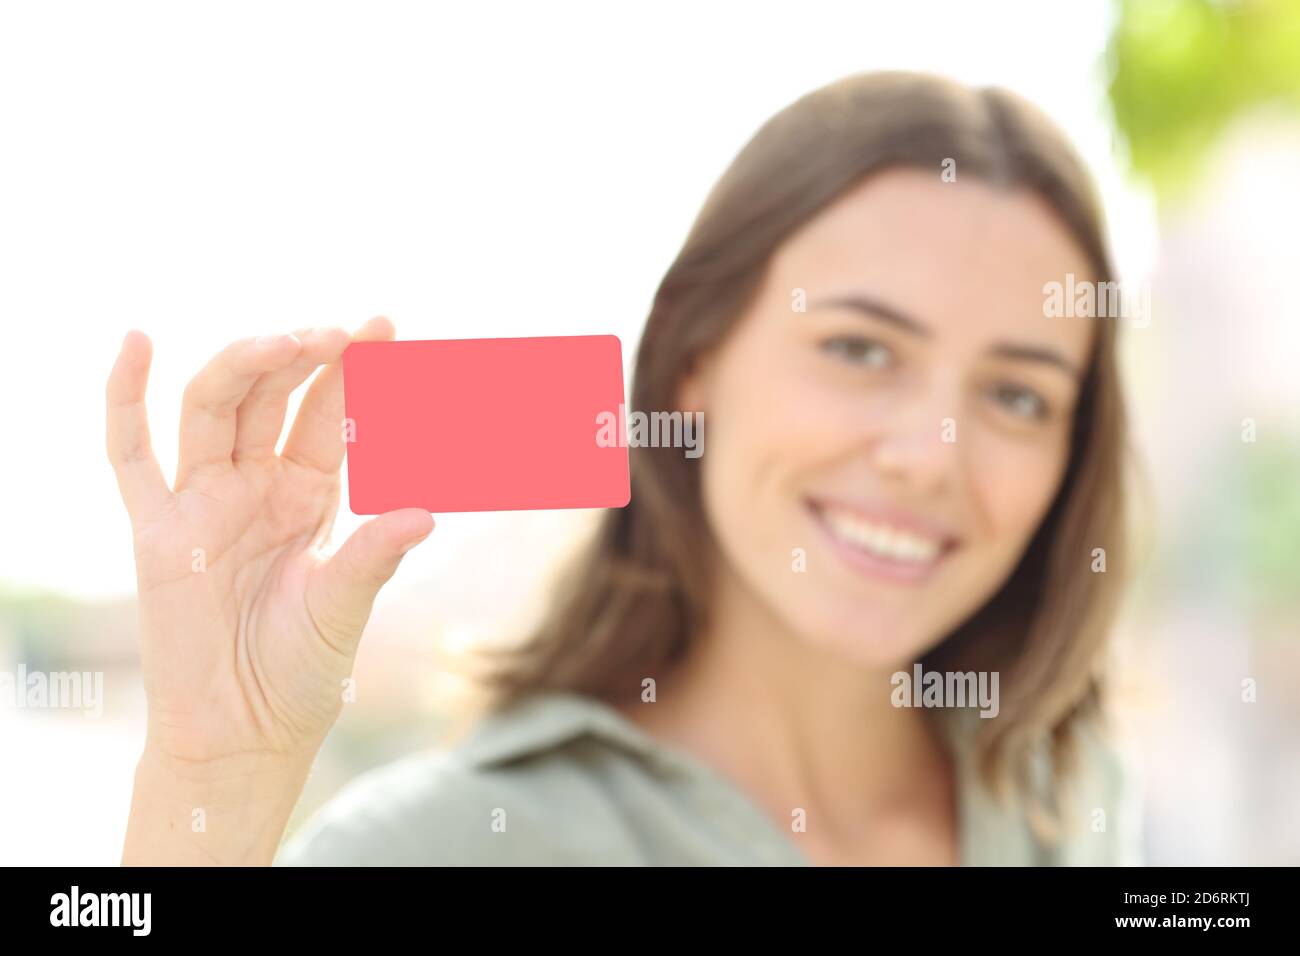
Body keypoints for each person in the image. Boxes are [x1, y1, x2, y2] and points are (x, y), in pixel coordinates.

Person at [108, 71, 1140, 866]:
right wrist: (211, 783)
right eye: (859, 348)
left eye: (1017, 395)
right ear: (695, 365)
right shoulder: (447, 846)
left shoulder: (1067, 798)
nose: (928, 455)